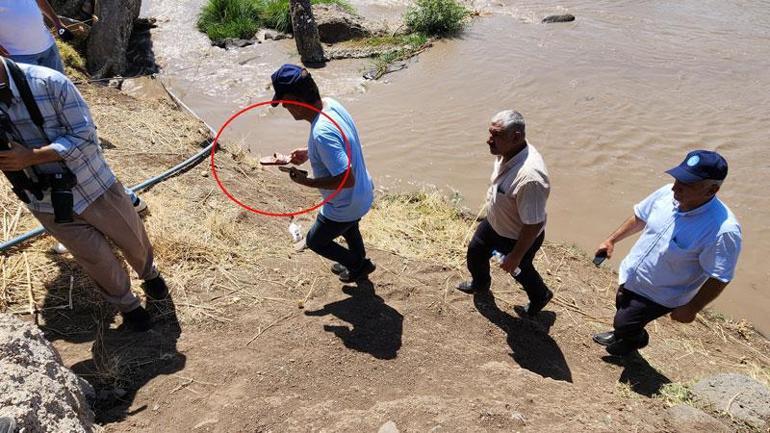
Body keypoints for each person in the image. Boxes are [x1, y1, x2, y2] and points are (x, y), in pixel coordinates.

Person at [0, 56, 167, 331]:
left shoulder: (50, 82)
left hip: (93, 183)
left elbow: (86, 137)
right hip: (44, 201)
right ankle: (129, 305)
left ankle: (150, 274)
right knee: (95, 258)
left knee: (133, 238)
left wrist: (30, 157)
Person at [592, 150, 741, 356]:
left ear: (712, 189)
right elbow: (640, 217)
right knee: (622, 306)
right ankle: (623, 333)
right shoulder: (666, 194)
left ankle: (634, 340)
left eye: (687, 184)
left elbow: (720, 276)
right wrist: (612, 240)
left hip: (660, 293)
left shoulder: (722, 230)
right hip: (632, 273)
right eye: (677, 179)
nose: (675, 187)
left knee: (625, 321)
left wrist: (693, 307)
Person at [270, 64, 376, 283]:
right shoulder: (331, 105)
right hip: (363, 192)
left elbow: (346, 178)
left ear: (293, 101)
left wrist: (306, 181)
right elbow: (341, 143)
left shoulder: (321, 132)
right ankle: (356, 258)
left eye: (285, 104)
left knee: (316, 240)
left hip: (346, 203)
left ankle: (358, 264)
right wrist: (310, 152)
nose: (285, 109)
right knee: (349, 226)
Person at [457, 110, 553, 317]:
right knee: (475, 252)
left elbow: (533, 224)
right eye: (490, 133)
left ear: (516, 137)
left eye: (496, 135)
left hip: (516, 236)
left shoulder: (530, 178)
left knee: (519, 270)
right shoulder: (507, 151)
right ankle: (481, 284)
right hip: (495, 223)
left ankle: (541, 295)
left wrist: (516, 256)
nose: (488, 140)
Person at [0, 0, 68, 74]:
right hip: (17, 55)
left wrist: (57, 22)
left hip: (48, 47)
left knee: (59, 83)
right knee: (30, 85)